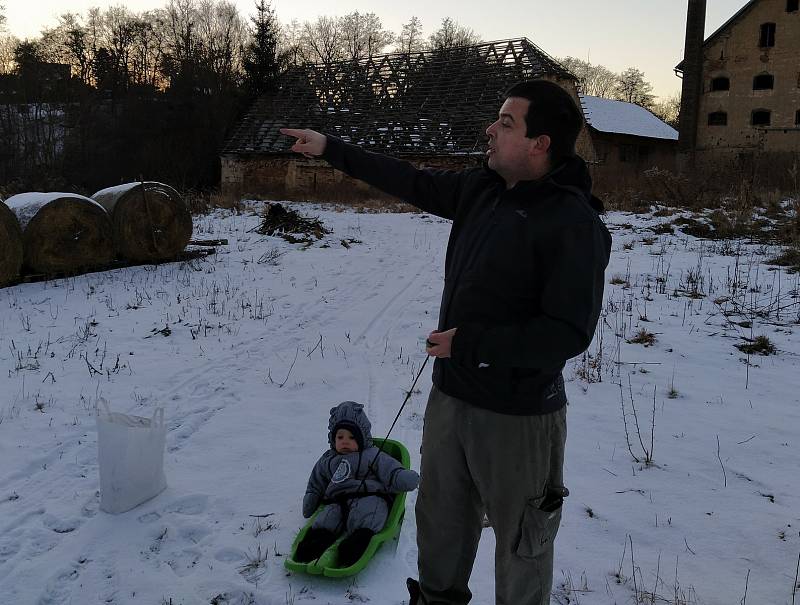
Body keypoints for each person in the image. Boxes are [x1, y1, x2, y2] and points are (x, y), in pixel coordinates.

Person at [281, 79, 612, 605]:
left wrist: (473, 342)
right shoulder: (479, 189)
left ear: (539, 143)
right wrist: (331, 149)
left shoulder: (573, 222)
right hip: (451, 399)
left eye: (506, 123)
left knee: (522, 542)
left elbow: (567, 333)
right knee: (440, 521)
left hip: (519, 418)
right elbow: (408, 179)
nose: (490, 129)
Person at [295, 401, 420, 568]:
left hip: (369, 497)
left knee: (369, 513)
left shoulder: (372, 454)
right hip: (338, 501)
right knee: (328, 517)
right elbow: (317, 480)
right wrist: (312, 496)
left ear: (362, 437)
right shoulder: (328, 459)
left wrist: (402, 477)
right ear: (333, 438)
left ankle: (356, 543)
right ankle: (315, 542)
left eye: (352, 437)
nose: (345, 442)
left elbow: (390, 471)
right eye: (340, 437)